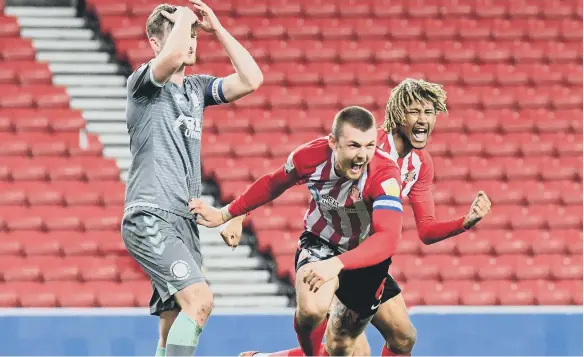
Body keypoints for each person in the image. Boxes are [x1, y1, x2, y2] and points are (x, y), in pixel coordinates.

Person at [221, 79, 493, 357]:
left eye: (429, 112)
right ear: (399, 114)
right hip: (326, 245)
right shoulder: (366, 145)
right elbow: (289, 175)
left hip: (366, 257)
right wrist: (240, 214)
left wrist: (464, 222)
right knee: (345, 347)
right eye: (415, 111)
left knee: (403, 339)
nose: (422, 119)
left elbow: (426, 230)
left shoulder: (420, 165)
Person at [190, 106, 407, 356]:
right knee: (313, 313)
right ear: (333, 142)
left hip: (363, 258)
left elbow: (388, 238)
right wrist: (227, 213)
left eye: (370, 145)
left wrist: (337, 264)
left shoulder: (385, 174)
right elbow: (272, 184)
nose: (363, 155)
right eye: (354, 146)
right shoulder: (310, 157)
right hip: (320, 243)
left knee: (400, 339)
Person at [120, 1, 263, 355]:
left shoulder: (196, 89)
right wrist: (184, 14)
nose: (191, 41)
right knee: (199, 300)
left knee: (172, 326)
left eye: (194, 35)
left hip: (184, 221)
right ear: (156, 44)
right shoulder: (143, 83)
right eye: (182, 35)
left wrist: (218, 30)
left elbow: (251, 79)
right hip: (150, 213)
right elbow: (168, 62)